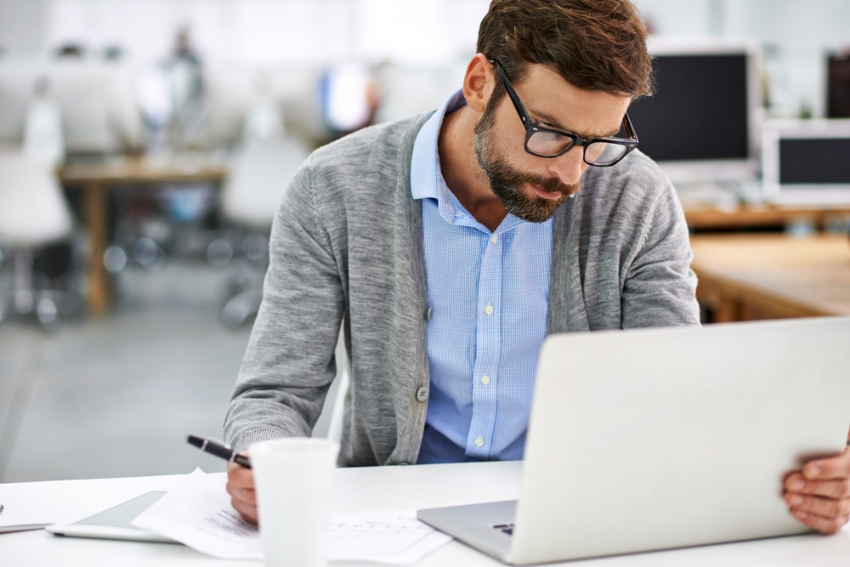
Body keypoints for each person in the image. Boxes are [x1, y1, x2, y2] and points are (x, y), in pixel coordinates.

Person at [224, 0, 850, 534]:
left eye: (599, 142)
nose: (572, 174)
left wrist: (806, 479)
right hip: (392, 518)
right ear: (479, 83)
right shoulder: (334, 188)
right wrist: (262, 456)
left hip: (579, 513)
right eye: (549, 133)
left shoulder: (636, 198)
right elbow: (276, 392)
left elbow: (676, 393)